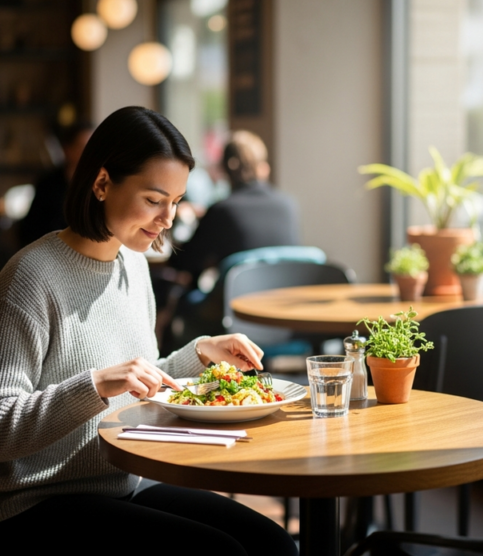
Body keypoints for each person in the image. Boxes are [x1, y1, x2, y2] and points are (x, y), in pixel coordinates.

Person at [0, 106, 297, 556]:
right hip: (40, 501)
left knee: (273, 544)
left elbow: (139, 377)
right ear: (101, 184)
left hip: (124, 482)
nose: (168, 219)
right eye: (155, 200)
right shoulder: (31, 277)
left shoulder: (133, 266)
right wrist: (95, 385)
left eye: (176, 201)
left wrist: (201, 353)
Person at [168, 130, 300, 286]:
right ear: (264, 167)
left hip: (235, 305)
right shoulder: (288, 205)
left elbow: (182, 262)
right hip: (281, 302)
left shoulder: (222, 211)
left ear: (225, 169)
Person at [17, 120, 93, 248]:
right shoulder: (47, 184)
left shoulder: (100, 184)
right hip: (51, 252)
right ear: (67, 149)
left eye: (92, 148)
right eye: (83, 147)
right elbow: (30, 229)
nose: (89, 154)